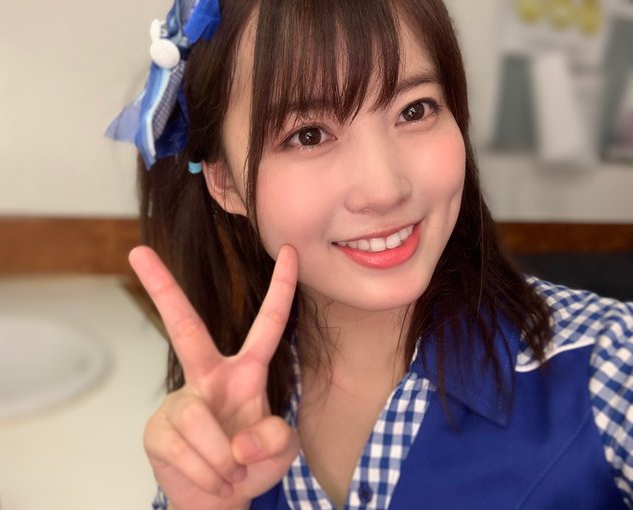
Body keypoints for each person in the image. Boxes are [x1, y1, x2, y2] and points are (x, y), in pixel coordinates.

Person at [108, 0, 633, 508]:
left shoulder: (610, 367)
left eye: (415, 110)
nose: (384, 189)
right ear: (224, 181)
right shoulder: (215, 432)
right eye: (308, 135)